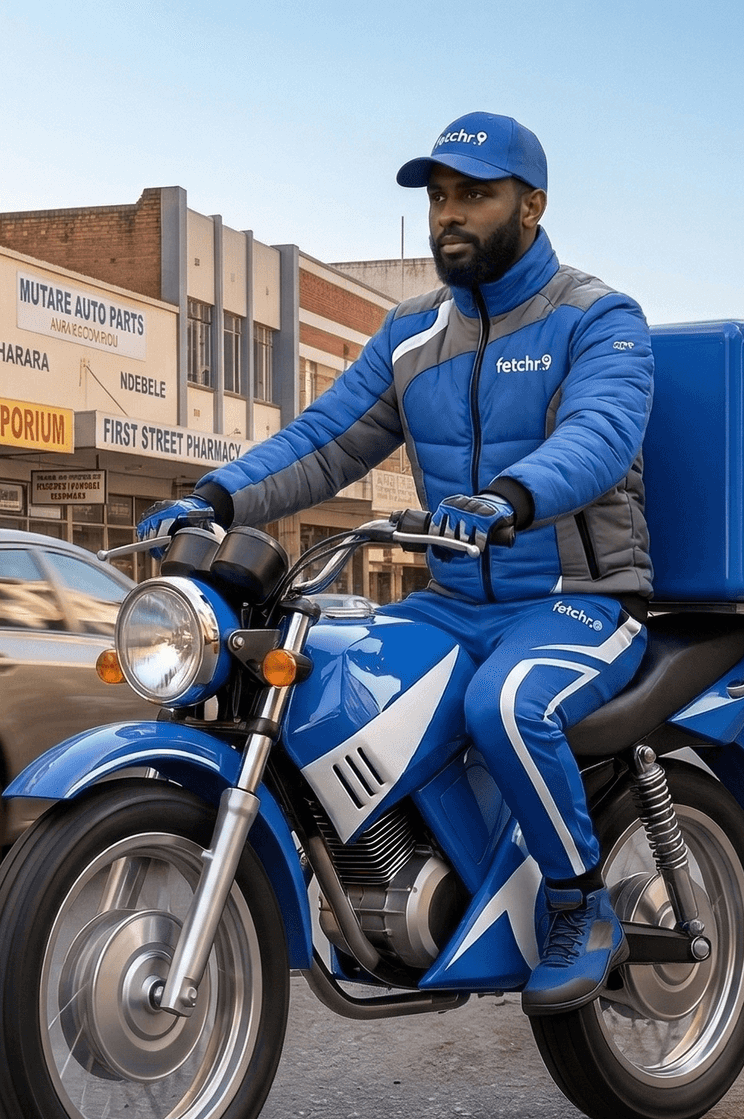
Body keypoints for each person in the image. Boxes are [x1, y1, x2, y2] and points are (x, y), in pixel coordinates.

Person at [136, 112, 654, 1014]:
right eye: (439, 197)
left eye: (474, 195)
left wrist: (513, 496)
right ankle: (396, 880)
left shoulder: (596, 316)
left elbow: (600, 435)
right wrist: (214, 498)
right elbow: (326, 440)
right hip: (453, 601)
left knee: (509, 704)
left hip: (577, 598)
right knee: (323, 680)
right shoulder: (412, 334)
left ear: (531, 206)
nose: (449, 214)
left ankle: (580, 903)